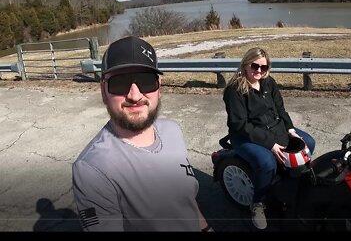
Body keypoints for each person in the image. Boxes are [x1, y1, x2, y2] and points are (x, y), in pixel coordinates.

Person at [72, 36, 211, 232]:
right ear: (103, 91)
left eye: (146, 82)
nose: (135, 96)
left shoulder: (172, 131)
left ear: (159, 87)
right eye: (120, 83)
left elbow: (186, 202)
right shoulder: (92, 170)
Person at [223, 47, 316, 230]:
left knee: (308, 142)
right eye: (255, 66)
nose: (259, 71)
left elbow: (281, 109)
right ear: (245, 65)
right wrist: (271, 144)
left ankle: (293, 181)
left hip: (276, 129)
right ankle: (257, 204)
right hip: (244, 135)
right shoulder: (234, 90)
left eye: (263, 68)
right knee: (267, 163)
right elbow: (240, 124)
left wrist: (291, 130)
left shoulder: (268, 83)